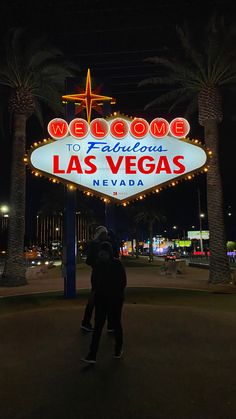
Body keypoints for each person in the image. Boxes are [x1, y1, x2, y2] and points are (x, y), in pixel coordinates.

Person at [81, 241, 127, 364]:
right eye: (101, 253)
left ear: (109, 253)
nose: (102, 255)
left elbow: (122, 282)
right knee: (98, 326)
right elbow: (94, 280)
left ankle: (118, 349)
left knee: (116, 324)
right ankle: (92, 354)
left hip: (115, 300)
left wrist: (114, 294)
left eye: (104, 253)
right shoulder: (98, 264)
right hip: (101, 299)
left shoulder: (116, 264)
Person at [80, 225, 120, 332]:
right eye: (104, 234)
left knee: (95, 299)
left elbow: (89, 261)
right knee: (106, 299)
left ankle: (86, 322)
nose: (106, 236)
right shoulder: (102, 245)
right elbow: (115, 256)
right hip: (102, 275)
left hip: (98, 275)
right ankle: (110, 325)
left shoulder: (97, 244)